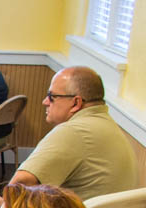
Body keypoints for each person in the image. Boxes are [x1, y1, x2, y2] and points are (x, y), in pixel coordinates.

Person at [11, 66, 137, 200]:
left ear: (76, 103)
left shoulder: (73, 132)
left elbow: (20, 185)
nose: (45, 102)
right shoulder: (109, 126)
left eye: (51, 96)